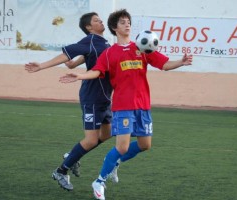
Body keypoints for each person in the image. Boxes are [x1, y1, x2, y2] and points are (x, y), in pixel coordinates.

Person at [59, 9, 193, 200]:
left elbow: (163, 64)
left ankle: (115, 163)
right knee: (121, 146)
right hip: (123, 106)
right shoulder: (109, 53)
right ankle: (99, 181)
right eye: (122, 22)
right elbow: (97, 71)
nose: (127, 24)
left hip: (143, 105)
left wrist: (181, 62)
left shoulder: (142, 47)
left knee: (145, 145)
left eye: (128, 21)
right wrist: (79, 75)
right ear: (114, 28)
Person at [25, 12, 117, 191]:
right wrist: (41, 66)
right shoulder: (89, 40)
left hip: (105, 97)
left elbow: (82, 58)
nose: (100, 21)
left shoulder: (104, 42)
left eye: (100, 19)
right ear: (89, 27)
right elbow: (66, 55)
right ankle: (61, 170)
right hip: (92, 96)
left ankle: (73, 156)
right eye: (96, 20)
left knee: (106, 134)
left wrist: (75, 64)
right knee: (90, 140)